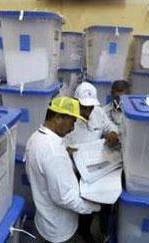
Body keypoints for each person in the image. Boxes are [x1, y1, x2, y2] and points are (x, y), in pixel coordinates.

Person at [25, 96, 101, 243]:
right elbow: (64, 197)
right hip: (60, 229)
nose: (73, 128)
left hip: (44, 219)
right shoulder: (54, 153)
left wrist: (66, 152)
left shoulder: (35, 138)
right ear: (58, 118)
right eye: (72, 121)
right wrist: (95, 207)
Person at [65, 82, 120, 242]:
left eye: (90, 107)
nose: (87, 111)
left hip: (96, 164)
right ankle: (82, 230)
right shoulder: (68, 119)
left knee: (103, 198)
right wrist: (66, 152)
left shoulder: (98, 113)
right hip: (75, 168)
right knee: (81, 203)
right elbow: (58, 144)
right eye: (84, 107)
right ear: (75, 102)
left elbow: (108, 125)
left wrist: (111, 132)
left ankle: (96, 229)